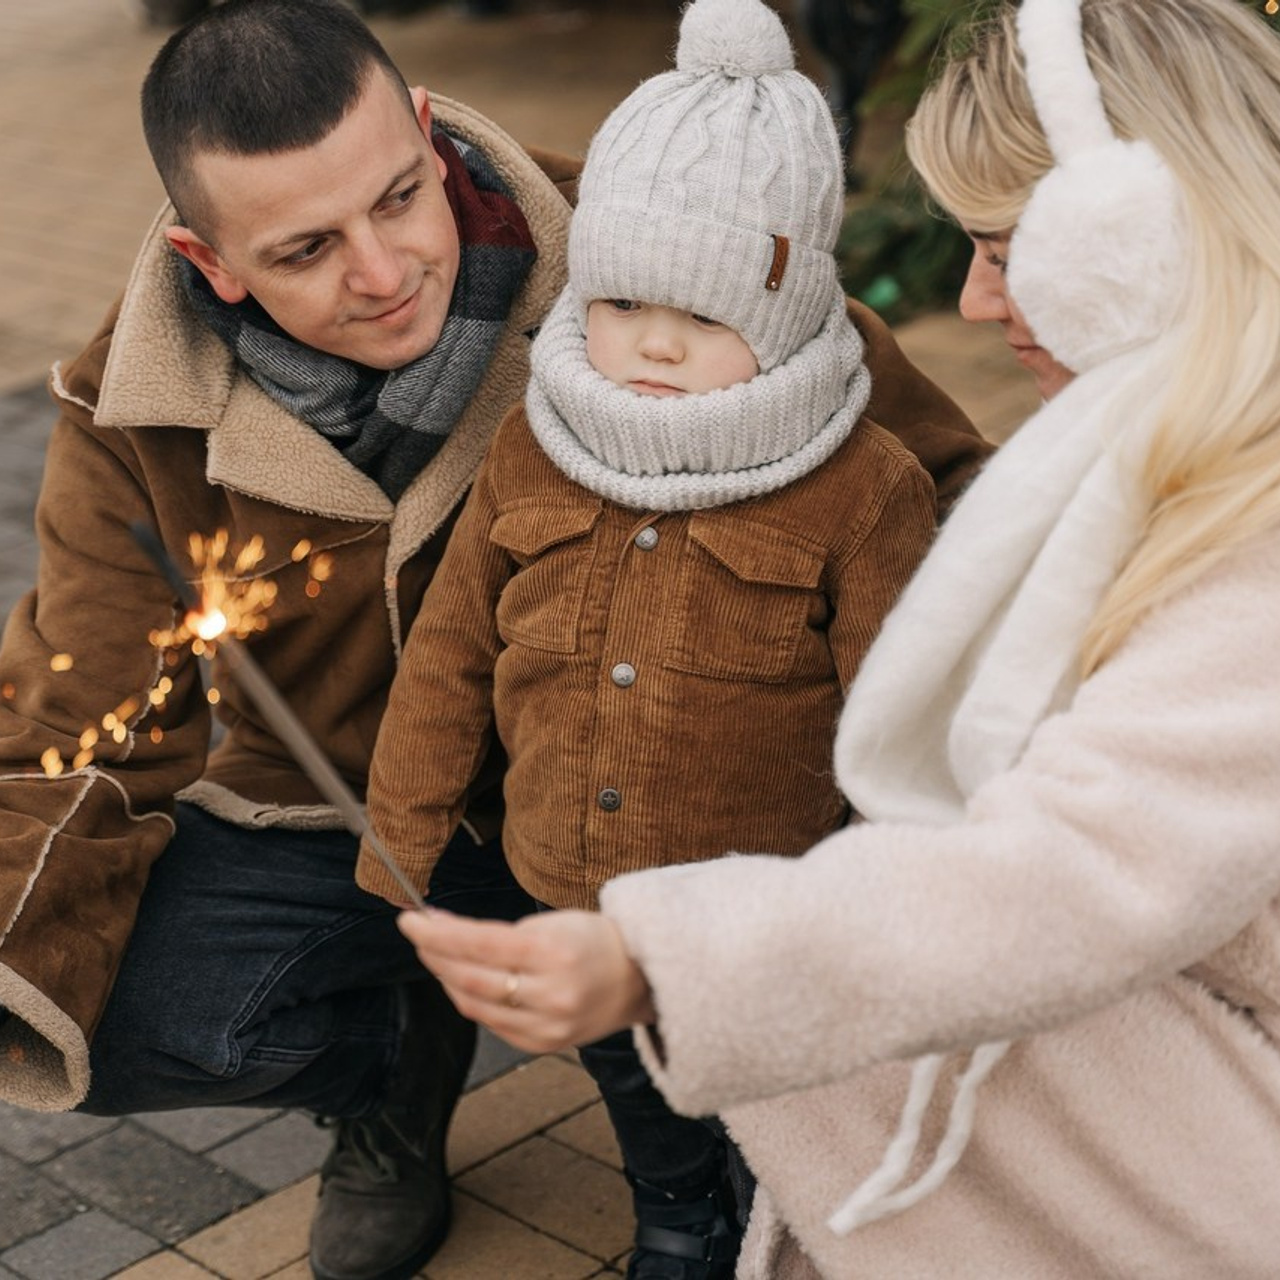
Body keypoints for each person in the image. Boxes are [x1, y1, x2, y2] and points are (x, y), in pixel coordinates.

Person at [0, 1, 988, 1277]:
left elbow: (949, 486)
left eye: (401, 197)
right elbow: (75, 719)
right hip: (349, 815)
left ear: (424, 131)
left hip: (657, 786)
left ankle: (702, 1153)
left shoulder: (654, 237)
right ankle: (388, 1067)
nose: (385, 267)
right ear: (212, 259)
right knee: (120, 1001)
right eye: (306, 248)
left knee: (701, 1042)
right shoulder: (123, 407)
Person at [399, 0, 1280, 1274]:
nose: (974, 301)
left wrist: (656, 954)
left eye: (1001, 246)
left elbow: (1067, 872)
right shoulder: (1169, 456)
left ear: (1134, 236)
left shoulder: (1247, 554)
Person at [358, 0, 944, 1273]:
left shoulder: (860, 485)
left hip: (756, 913)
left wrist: (888, 916)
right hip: (568, 878)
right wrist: (396, 840)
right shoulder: (536, 444)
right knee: (633, 1080)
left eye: (706, 312)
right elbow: (452, 652)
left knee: (771, 1095)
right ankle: (677, 1212)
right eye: (621, 298)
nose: (655, 343)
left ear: (786, 314)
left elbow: (902, 721)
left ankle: (783, 1213)